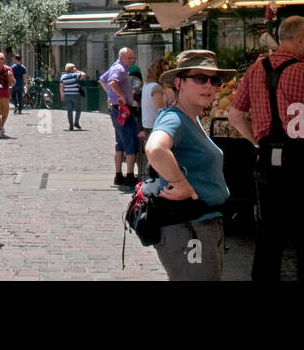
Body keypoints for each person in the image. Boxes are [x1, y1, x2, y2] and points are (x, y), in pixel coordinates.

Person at [227, 16, 304, 282]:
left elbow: (234, 115)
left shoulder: (255, 69)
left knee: (269, 237)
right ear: (301, 40)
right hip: (303, 163)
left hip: (267, 161)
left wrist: (256, 141)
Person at [144, 50, 234, 281]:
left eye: (214, 80)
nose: (209, 86)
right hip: (189, 228)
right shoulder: (175, 118)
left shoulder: (191, 119)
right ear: (179, 83)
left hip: (200, 225)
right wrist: (180, 184)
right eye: (200, 79)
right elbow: (155, 148)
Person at [100, 47, 139, 186]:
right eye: (130, 58)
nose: (132, 61)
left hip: (116, 109)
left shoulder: (114, 66)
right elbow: (111, 82)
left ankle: (118, 175)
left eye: (133, 58)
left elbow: (102, 79)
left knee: (120, 143)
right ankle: (129, 175)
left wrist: (110, 95)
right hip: (122, 109)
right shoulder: (120, 69)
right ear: (122, 57)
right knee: (130, 141)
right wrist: (120, 95)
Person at [140, 58, 172, 176]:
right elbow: (160, 109)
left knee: (151, 155)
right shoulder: (156, 88)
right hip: (154, 125)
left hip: (147, 123)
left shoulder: (147, 85)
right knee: (155, 157)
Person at [59, 63, 85, 130]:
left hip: (67, 94)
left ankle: (71, 125)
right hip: (75, 94)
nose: (75, 68)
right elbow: (84, 74)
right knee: (78, 109)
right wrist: (77, 71)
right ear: (71, 69)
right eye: (74, 67)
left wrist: (62, 95)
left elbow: (61, 87)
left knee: (69, 110)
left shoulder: (63, 76)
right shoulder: (75, 75)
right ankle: (76, 122)